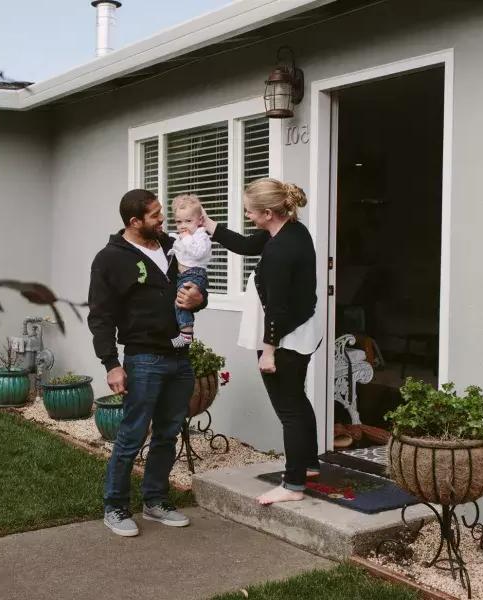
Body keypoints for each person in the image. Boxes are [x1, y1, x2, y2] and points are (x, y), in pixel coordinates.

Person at [88, 188, 207, 536]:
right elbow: (100, 316)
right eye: (155, 215)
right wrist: (111, 363)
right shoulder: (110, 258)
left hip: (180, 358)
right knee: (131, 435)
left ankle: (154, 501)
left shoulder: (173, 246)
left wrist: (199, 297)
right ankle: (115, 507)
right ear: (134, 221)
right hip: (143, 359)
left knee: (168, 434)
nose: (163, 220)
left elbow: (196, 281)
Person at [203, 178, 320, 505]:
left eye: (250, 212)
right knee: (297, 400)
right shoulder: (290, 230)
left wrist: (268, 351)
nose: (248, 216)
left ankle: (293, 485)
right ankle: (308, 464)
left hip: (286, 338)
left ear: (268, 212)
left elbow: (278, 308)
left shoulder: (282, 250)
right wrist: (207, 224)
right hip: (300, 330)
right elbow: (246, 245)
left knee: (289, 410)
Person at [168, 194, 212, 348]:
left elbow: (198, 252)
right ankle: (185, 332)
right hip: (184, 275)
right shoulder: (184, 236)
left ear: (199, 221)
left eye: (188, 221)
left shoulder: (201, 236)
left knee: (181, 302)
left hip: (195, 274)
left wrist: (185, 238)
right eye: (179, 222)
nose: (182, 226)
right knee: (179, 303)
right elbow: (181, 251)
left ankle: (186, 335)